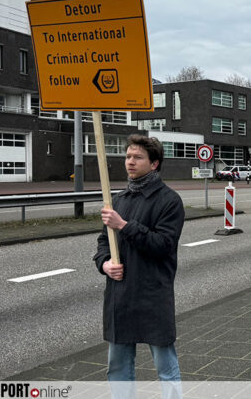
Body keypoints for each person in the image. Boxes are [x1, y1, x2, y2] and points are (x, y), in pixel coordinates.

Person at [93, 135, 185, 396]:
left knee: (165, 367)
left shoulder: (169, 201)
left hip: (152, 293)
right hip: (120, 295)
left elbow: (163, 245)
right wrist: (105, 264)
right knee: (118, 367)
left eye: (137, 157)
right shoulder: (119, 200)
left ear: (154, 164)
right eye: (128, 157)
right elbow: (103, 242)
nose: (130, 162)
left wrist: (123, 225)